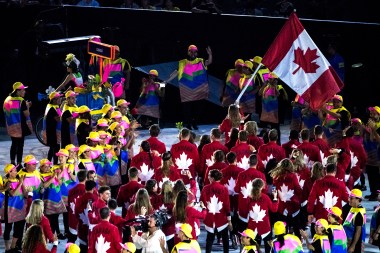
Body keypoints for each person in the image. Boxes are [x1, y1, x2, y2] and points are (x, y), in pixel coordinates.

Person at [166, 44, 213, 130]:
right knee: (187, 109)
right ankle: (188, 123)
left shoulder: (200, 61)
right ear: (188, 52)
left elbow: (209, 62)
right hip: (187, 90)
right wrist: (167, 81)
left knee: (198, 108)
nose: (193, 53)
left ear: (197, 53)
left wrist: (210, 54)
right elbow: (176, 72)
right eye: (191, 51)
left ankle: (194, 122)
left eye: (195, 51)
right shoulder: (182, 62)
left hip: (199, 90)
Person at [200, 169, 232, 253]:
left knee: (209, 239)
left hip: (209, 217)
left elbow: (201, 202)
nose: (207, 177)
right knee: (225, 238)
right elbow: (227, 206)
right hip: (222, 218)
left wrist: (203, 210)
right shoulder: (224, 189)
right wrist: (229, 220)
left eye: (209, 175)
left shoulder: (205, 188)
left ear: (212, 178)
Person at [3, 82, 33, 165]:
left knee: (14, 144)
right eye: (23, 90)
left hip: (11, 126)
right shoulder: (21, 101)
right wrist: (27, 106)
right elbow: (26, 114)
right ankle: (19, 164)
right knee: (20, 145)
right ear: (18, 91)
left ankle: (12, 162)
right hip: (20, 126)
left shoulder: (7, 99)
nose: (24, 92)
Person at [247, 178, 278, 253]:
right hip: (265, 226)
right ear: (262, 187)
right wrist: (275, 198)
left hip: (252, 226)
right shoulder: (266, 197)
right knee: (268, 248)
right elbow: (274, 209)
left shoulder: (249, 197)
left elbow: (245, 210)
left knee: (253, 249)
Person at [2, 163, 27, 252]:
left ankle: (13, 247)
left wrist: (22, 183)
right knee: (8, 228)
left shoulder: (18, 180)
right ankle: (7, 248)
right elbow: (12, 194)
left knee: (19, 229)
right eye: (15, 170)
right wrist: (20, 184)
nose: (16, 172)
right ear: (10, 172)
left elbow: (25, 195)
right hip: (9, 209)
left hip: (20, 208)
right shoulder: (7, 182)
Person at [363, 106, 380, 201]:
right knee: (370, 174)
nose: (372, 115)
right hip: (369, 154)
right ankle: (373, 193)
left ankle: (378, 194)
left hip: (378, 155)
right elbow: (366, 138)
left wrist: (373, 129)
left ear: (379, 115)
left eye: (374, 113)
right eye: (371, 113)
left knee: (377, 176)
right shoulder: (369, 124)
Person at [343, 189, 366, 253]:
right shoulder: (353, 209)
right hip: (349, 240)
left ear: (358, 199)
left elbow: (358, 231)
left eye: (351, 198)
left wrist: (353, 246)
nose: (349, 200)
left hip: (355, 243)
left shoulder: (359, 212)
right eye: (349, 197)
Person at [67, 169, 87, 243]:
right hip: (84, 222)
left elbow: (69, 205)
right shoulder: (89, 191)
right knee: (84, 245)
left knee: (71, 242)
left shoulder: (71, 191)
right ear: (86, 178)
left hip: (72, 220)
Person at [42, 91, 63, 164]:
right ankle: (55, 164)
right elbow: (59, 118)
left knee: (52, 148)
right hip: (51, 131)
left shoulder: (55, 106)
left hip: (53, 131)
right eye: (59, 98)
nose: (60, 99)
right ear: (54, 100)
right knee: (56, 148)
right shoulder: (52, 109)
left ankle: (48, 162)